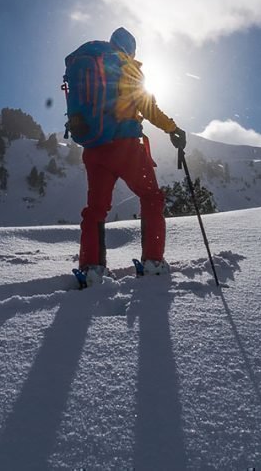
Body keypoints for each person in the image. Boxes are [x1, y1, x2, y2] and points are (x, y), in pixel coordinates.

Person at [78, 27, 186, 285]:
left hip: (95, 148)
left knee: (96, 210)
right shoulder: (129, 67)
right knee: (151, 198)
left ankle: (92, 268)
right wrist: (173, 128)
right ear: (131, 49)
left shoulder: (91, 68)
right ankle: (153, 262)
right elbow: (148, 107)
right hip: (125, 147)